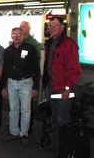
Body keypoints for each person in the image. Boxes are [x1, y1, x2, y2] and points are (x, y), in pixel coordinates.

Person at [42, 16, 82, 150]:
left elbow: (75, 69)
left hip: (64, 88)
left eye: (55, 25)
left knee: (62, 119)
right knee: (54, 117)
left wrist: (67, 88)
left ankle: (64, 149)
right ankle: (56, 145)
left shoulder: (69, 44)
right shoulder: (50, 43)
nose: (52, 28)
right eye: (50, 26)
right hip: (53, 86)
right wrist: (47, 85)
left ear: (62, 27)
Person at [2, 27, 40, 146]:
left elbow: (36, 69)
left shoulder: (30, 49)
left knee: (25, 110)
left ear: (23, 35)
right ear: (11, 36)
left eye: (19, 34)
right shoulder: (7, 50)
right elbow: (5, 70)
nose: (16, 36)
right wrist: (3, 86)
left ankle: (24, 133)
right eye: (14, 34)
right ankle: (13, 132)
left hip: (26, 83)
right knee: (13, 109)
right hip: (12, 83)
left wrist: (36, 87)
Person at [20, 21, 41, 133]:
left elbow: (36, 63)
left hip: (29, 78)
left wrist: (35, 84)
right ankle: (18, 125)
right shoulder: (18, 42)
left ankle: (28, 127)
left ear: (29, 28)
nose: (21, 28)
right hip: (18, 79)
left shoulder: (34, 43)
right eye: (20, 26)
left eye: (23, 26)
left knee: (27, 105)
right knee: (18, 105)